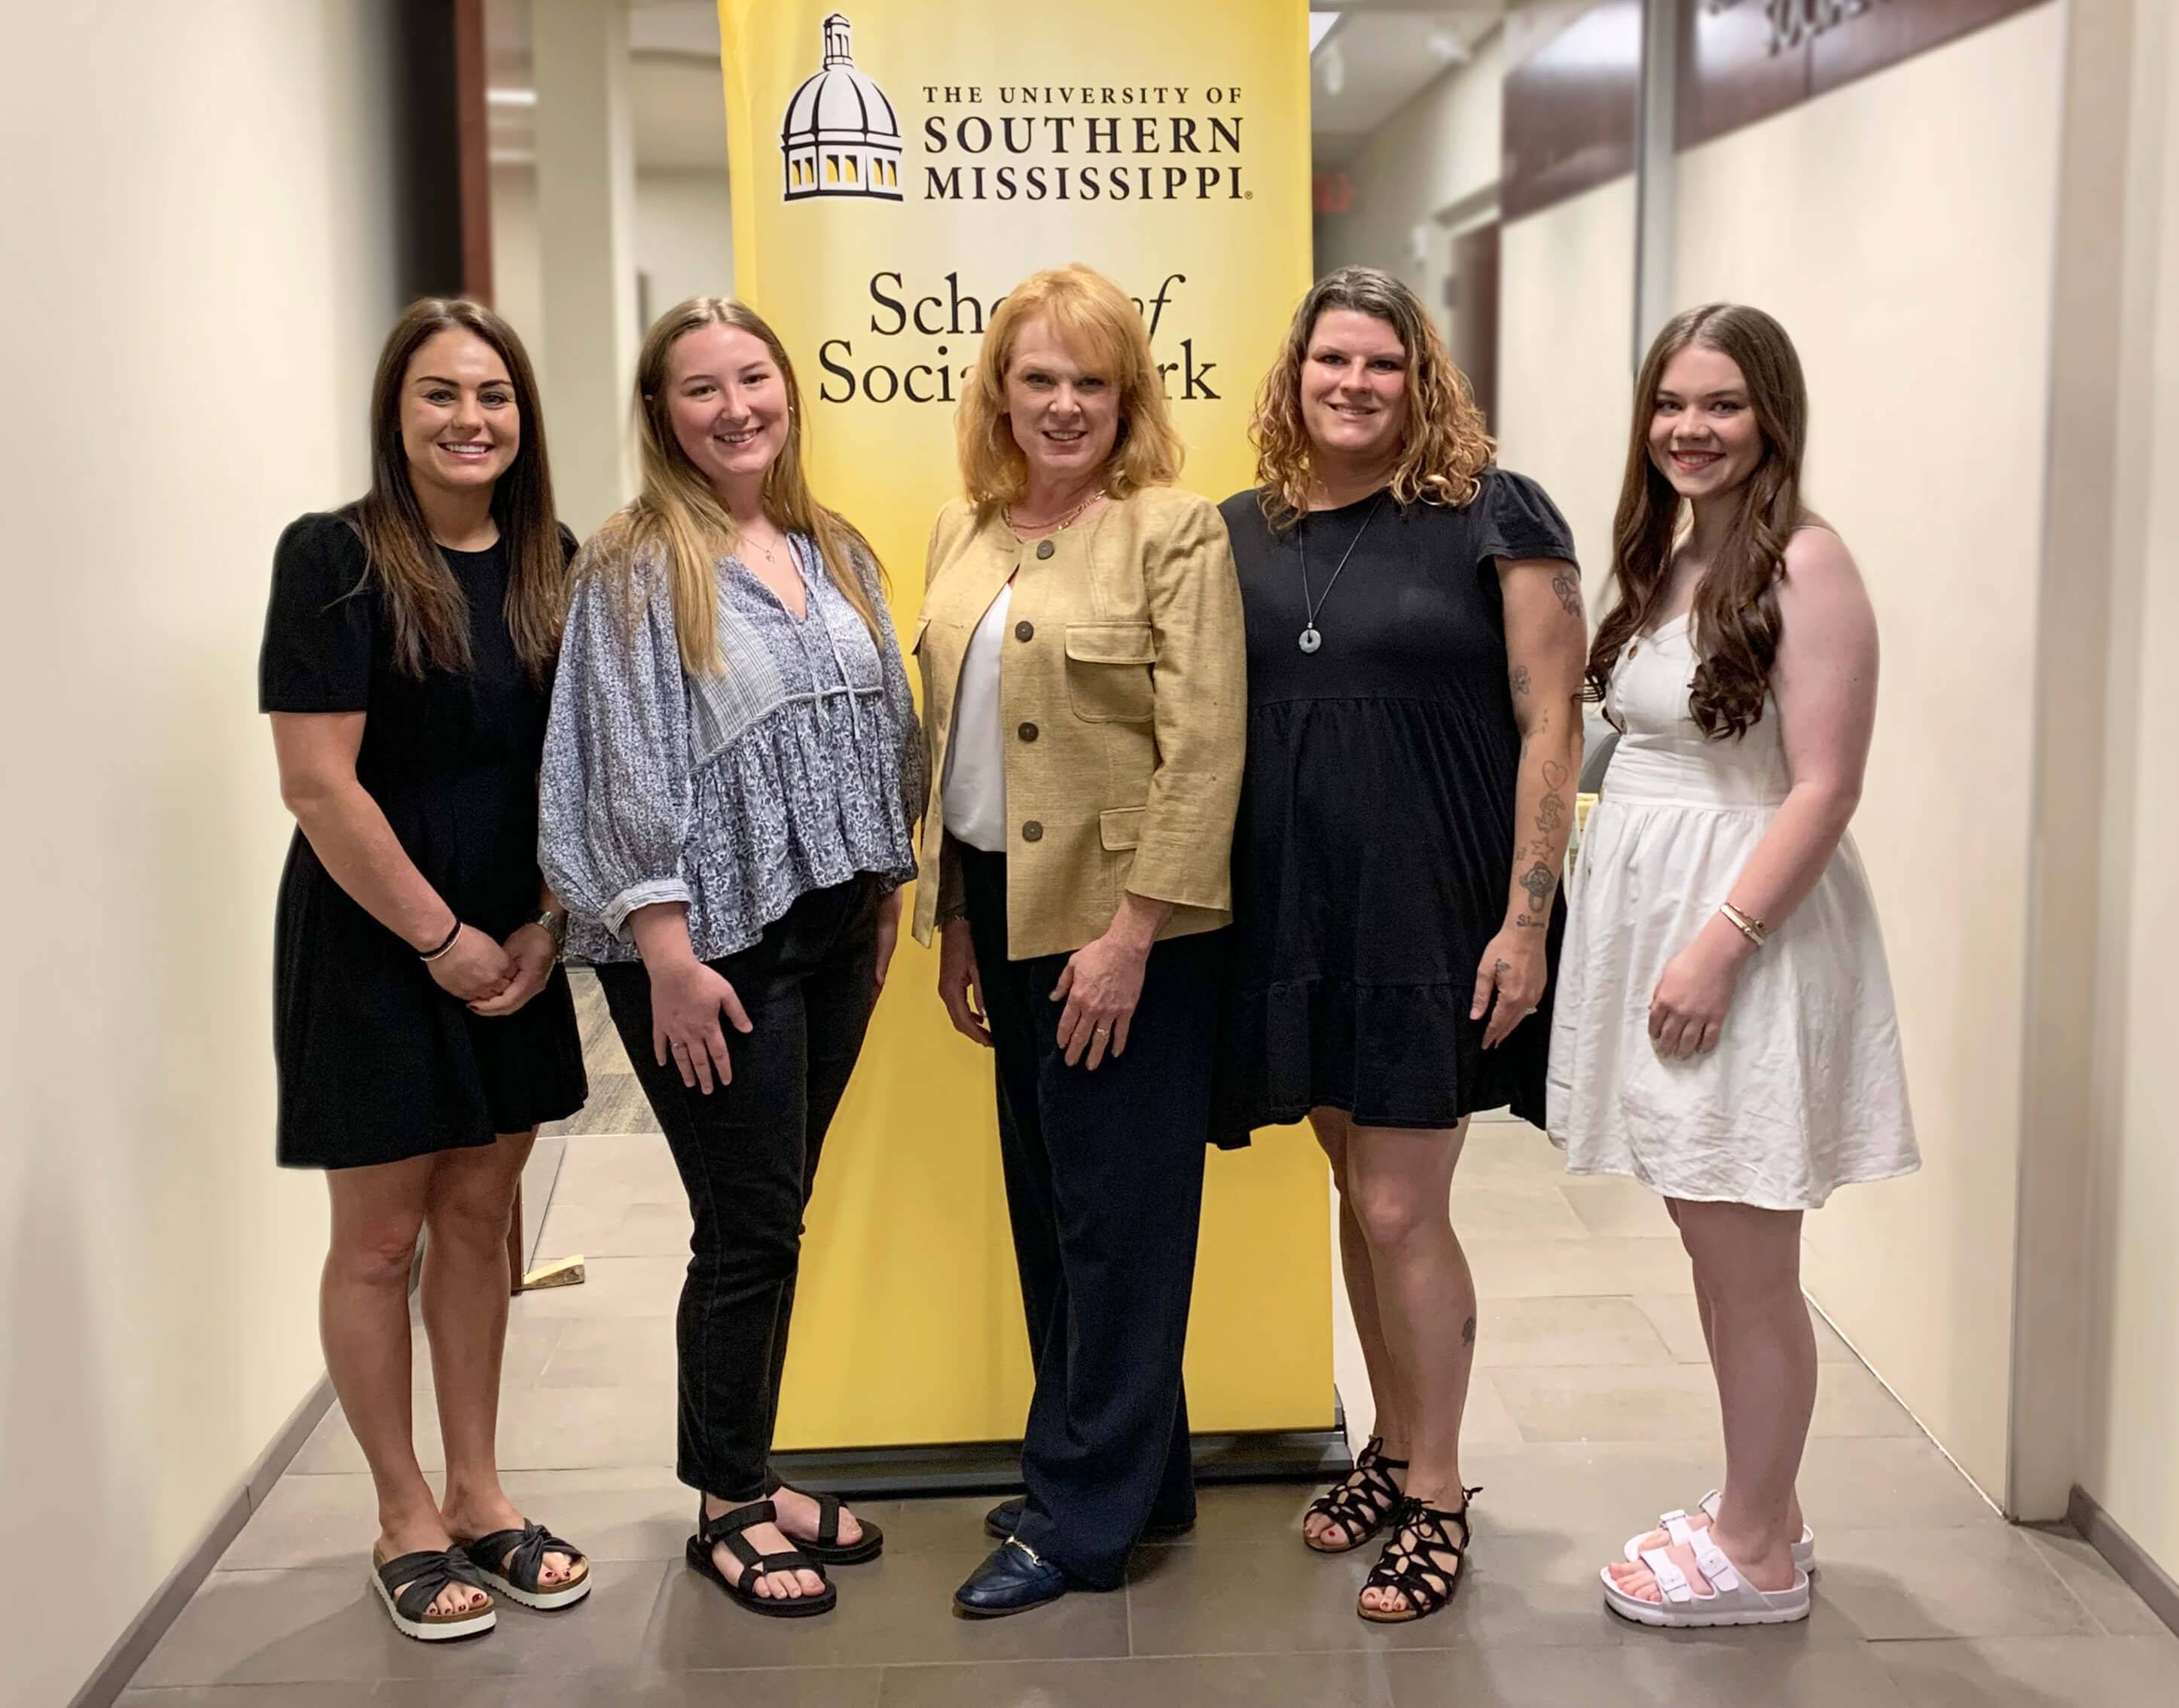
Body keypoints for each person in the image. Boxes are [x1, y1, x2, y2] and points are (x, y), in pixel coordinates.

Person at [539, 297, 920, 1621]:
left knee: (777, 1209)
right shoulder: (635, 565)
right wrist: (665, 951)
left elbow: (881, 721)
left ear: (787, 390)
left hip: (832, 920)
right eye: (699, 389)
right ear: (661, 416)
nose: (734, 406)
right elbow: (612, 762)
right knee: (747, 1226)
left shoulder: (834, 546)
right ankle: (724, 1506)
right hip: (704, 943)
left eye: (753, 377)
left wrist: (884, 885)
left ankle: (748, 1466)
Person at [1218, 267, 1585, 1624]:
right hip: (1293, 910)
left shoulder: (1497, 514)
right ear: (1294, 374)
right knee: (1348, 1188)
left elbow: (1552, 720)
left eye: (1381, 364)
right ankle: (1385, 1445)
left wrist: (1527, 915)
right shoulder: (1236, 530)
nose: (1354, 386)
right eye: (1332, 363)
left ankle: (1435, 1491)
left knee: (1397, 1205)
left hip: (1435, 905)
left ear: (1419, 377)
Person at [1549, 303, 1918, 1629]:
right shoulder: (1668, 556)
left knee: (1747, 1261)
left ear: (1771, 415)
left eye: (1719, 406)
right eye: (1669, 405)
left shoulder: (1806, 565)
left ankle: (1757, 1551)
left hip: (1740, 939)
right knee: (1712, 1249)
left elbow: (1823, 789)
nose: (1688, 431)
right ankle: (1761, 1504)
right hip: (1663, 930)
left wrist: (1719, 945)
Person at [911, 264, 1247, 1617]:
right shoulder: (962, 529)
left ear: (1128, 400)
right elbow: (950, 744)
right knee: (1055, 1214)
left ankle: (1079, 1521)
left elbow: (1205, 745)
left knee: (1119, 1222)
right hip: (998, 908)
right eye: (1036, 378)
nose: (1061, 405)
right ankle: (1130, 1469)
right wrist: (949, 921)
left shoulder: (1173, 533)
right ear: (1000, 391)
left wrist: (1131, 937)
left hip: (1125, 927)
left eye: (1089, 383)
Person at [261, 297, 591, 1642]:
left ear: (524, 420)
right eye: (441, 395)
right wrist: (441, 941)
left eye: (493, 396)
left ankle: (480, 1493)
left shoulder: (548, 560)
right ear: (396, 415)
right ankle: (401, 1513)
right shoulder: (333, 559)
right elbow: (317, 787)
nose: (470, 420)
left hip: (516, 937)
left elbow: (576, 761)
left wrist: (545, 924)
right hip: (377, 938)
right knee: (380, 1235)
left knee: (480, 1219)